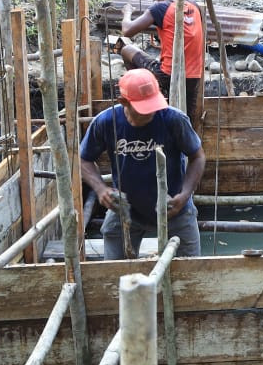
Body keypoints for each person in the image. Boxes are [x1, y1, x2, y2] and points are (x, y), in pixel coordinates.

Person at [80, 68, 206, 259]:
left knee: (190, 273)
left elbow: (198, 157)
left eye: (153, 105)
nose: (151, 112)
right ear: (124, 102)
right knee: (114, 274)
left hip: (173, 206)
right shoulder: (106, 122)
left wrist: (185, 194)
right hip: (125, 208)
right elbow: (83, 159)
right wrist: (100, 189)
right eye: (143, 108)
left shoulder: (173, 119)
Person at [119, 0, 206, 116]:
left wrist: (127, 12)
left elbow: (127, 31)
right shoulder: (194, 7)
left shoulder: (160, 7)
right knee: (185, 120)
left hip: (167, 75)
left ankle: (142, 91)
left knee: (126, 49)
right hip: (193, 77)